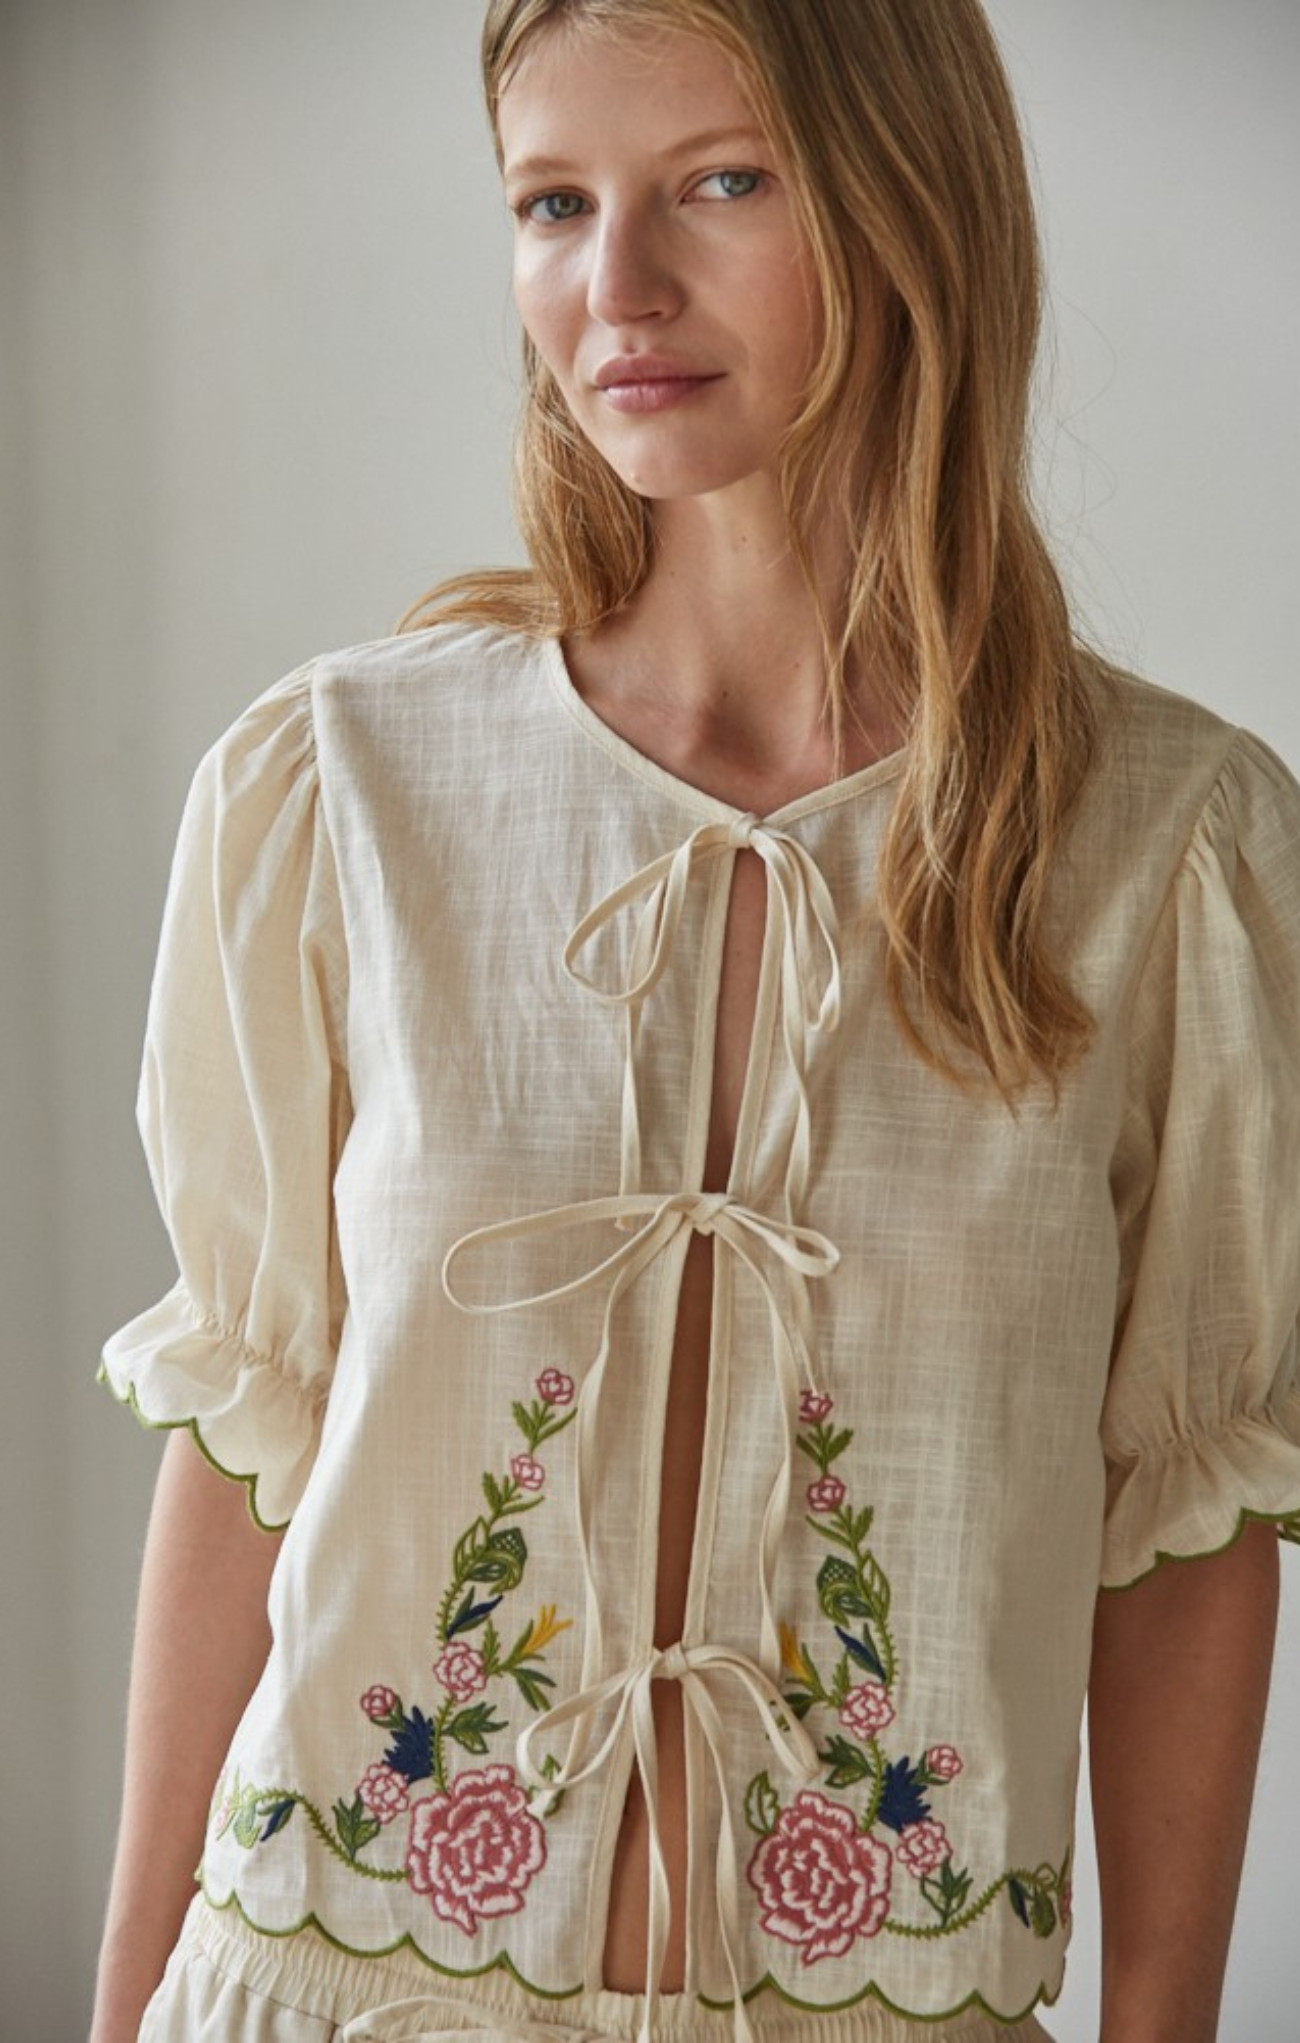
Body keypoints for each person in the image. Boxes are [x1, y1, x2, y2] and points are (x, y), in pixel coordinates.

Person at [91, 2, 1300, 2040]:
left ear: (910, 205)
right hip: (330, 1986)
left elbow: (1177, 1522)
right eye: (550, 202)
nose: (612, 286)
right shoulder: (343, 794)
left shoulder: (1164, 848)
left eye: (718, 184)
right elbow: (250, 1436)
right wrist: (116, 2014)